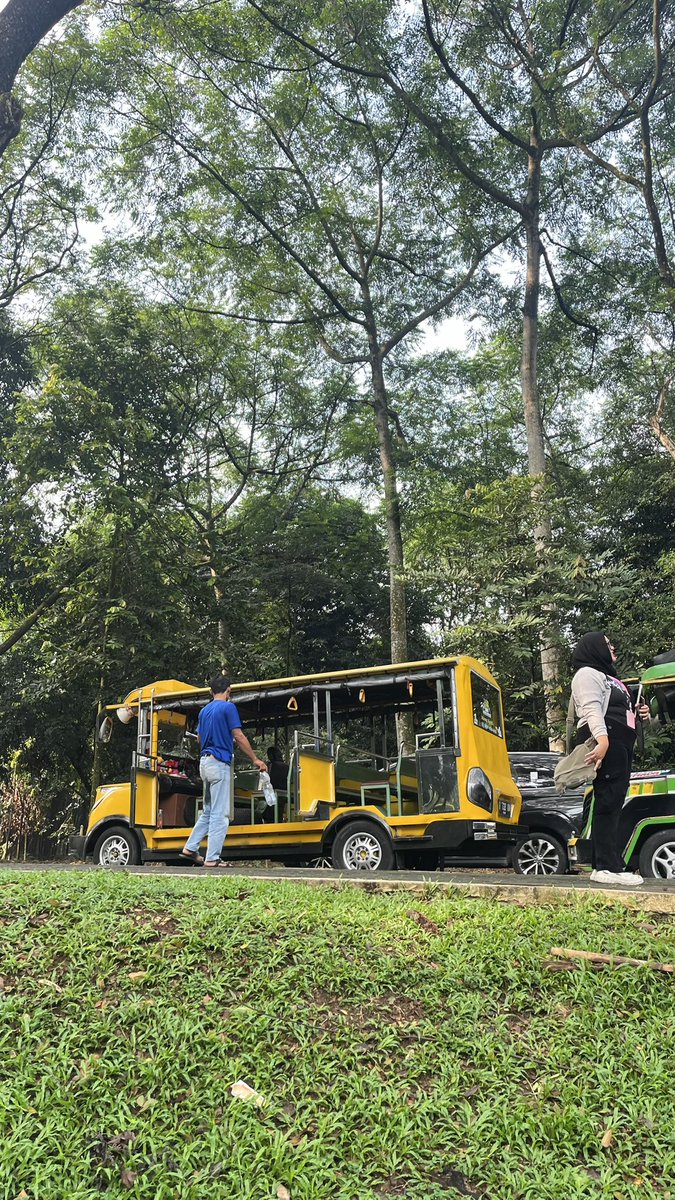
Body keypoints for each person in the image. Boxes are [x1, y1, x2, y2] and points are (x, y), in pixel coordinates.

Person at [571, 632, 650, 887]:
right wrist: (603, 740)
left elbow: (622, 712)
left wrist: (642, 715)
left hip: (621, 743)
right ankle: (605, 867)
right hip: (607, 740)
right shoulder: (586, 674)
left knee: (614, 801)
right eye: (607, 644)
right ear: (595, 648)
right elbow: (592, 708)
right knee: (607, 801)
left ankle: (610, 865)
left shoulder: (613, 679)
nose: (612, 647)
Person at [181, 673, 267, 868]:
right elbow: (238, 735)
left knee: (209, 810)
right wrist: (255, 759)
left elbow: (199, 739)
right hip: (219, 764)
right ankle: (212, 858)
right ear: (229, 691)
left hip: (204, 764)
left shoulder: (204, 711)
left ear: (211, 692)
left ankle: (191, 847)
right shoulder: (228, 707)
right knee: (220, 814)